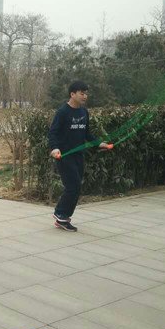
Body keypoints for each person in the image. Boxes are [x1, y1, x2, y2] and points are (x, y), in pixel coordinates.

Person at [48, 80, 110, 232]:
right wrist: (54, 148)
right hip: (64, 155)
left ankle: (62, 215)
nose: (85, 96)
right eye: (82, 93)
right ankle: (61, 215)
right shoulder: (63, 112)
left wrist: (99, 143)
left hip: (79, 155)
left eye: (86, 94)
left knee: (76, 186)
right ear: (72, 94)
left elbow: (87, 133)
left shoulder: (84, 112)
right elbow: (53, 133)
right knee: (73, 186)